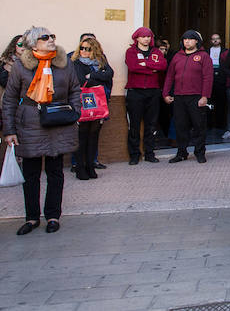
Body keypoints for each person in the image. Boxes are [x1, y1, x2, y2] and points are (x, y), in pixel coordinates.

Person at [2, 27, 80, 235]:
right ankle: (32, 218)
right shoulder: (21, 66)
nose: (51, 40)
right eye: (45, 37)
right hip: (30, 123)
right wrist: (9, 130)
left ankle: (53, 216)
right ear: (33, 43)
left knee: (55, 171)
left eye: (52, 36)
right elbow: (10, 99)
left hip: (58, 120)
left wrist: (75, 112)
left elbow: (75, 90)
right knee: (31, 173)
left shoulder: (64, 63)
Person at [163, 30, 213, 163]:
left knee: (199, 126)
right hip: (179, 97)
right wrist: (166, 93)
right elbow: (170, 76)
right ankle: (181, 153)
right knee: (180, 126)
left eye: (190, 39)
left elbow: (208, 77)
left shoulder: (203, 56)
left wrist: (205, 96)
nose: (187, 41)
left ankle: (199, 153)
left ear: (196, 41)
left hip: (196, 97)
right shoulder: (177, 56)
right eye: (185, 39)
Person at [70, 37, 114, 180]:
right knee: (81, 136)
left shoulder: (101, 60)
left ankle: (90, 166)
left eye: (87, 49)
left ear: (94, 50)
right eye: (82, 48)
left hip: (99, 103)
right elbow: (82, 80)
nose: (83, 51)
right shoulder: (75, 62)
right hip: (82, 102)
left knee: (93, 136)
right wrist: (99, 79)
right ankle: (80, 168)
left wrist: (93, 75)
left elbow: (110, 74)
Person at [124, 27, 167, 164]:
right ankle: (134, 155)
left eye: (148, 36)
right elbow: (133, 67)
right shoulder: (131, 51)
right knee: (134, 125)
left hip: (153, 92)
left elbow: (163, 65)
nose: (146, 39)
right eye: (143, 36)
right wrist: (152, 68)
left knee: (151, 125)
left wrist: (145, 64)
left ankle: (149, 153)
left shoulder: (156, 51)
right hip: (135, 92)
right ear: (137, 38)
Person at [207, 33, 228, 133]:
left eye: (217, 38)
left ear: (220, 40)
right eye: (213, 39)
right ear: (211, 41)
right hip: (210, 77)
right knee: (209, 101)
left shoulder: (225, 51)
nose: (215, 40)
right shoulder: (207, 51)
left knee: (221, 102)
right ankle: (209, 123)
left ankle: (220, 123)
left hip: (221, 78)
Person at [0, 34, 25, 99]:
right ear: (14, 46)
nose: (23, 47)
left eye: (26, 44)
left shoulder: (33, 63)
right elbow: (4, 82)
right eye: (20, 44)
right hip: (8, 99)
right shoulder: (4, 62)